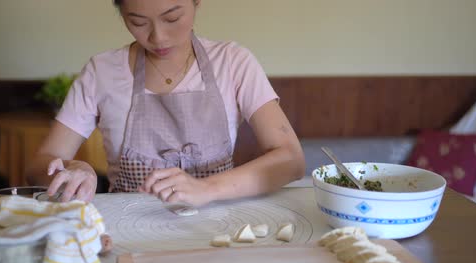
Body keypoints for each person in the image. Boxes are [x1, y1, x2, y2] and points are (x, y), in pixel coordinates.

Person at [26, 0, 306, 207]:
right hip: (128, 229)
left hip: (216, 228)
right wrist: (74, 168)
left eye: (172, 18)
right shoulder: (102, 71)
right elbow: (38, 164)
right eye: (137, 22)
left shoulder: (233, 62)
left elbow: (291, 160)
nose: (157, 37)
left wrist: (206, 189)